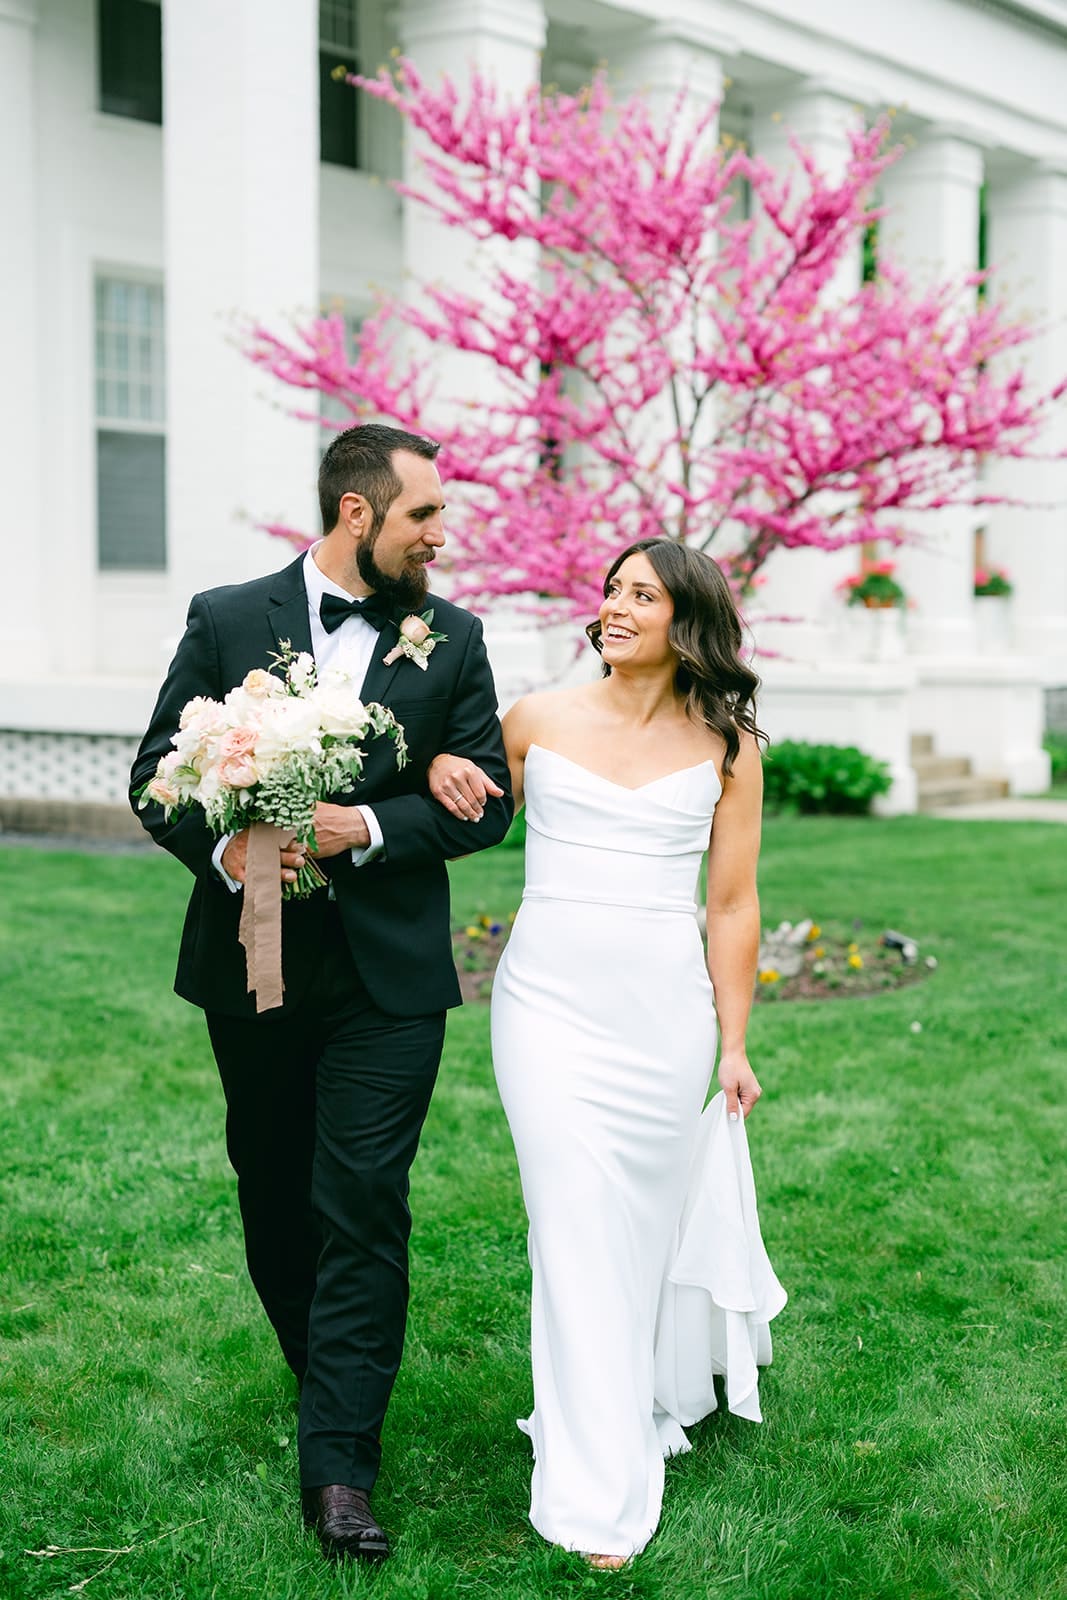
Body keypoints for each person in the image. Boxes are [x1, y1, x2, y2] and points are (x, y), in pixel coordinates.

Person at [130, 423, 512, 1565]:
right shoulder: (224, 618)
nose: (439, 536)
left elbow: (487, 803)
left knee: (364, 1200)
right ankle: (324, 1378)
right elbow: (158, 775)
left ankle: (340, 1466)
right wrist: (230, 849)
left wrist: (372, 827)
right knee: (274, 1189)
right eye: (422, 515)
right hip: (254, 964)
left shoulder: (453, 637)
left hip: (389, 979)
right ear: (358, 513)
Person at [429, 537, 786, 1566]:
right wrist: (438, 766)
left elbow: (732, 903)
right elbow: (456, 817)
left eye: (644, 595)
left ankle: (632, 1387)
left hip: (662, 1019)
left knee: (634, 1229)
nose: (618, 606)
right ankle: (597, 1484)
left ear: (688, 622)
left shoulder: (727, 746)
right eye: (614, 589)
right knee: (573, 1223)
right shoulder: (536, 717)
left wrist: (732, 1042)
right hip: (544, 1008)